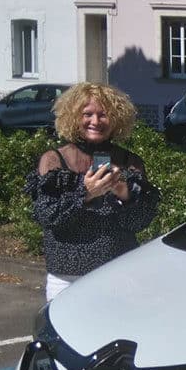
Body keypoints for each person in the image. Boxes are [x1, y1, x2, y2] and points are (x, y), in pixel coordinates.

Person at [25, 82, 161, 301]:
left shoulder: (130, 162)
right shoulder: (53, 160)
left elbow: (141, 222)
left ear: (116, 118)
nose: (95, 122)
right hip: (67, 276)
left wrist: (124, 195)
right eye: (87, 114)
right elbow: (47, 216)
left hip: (117, 273)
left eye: (103, 115)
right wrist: (85, 193)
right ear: (73, 116)